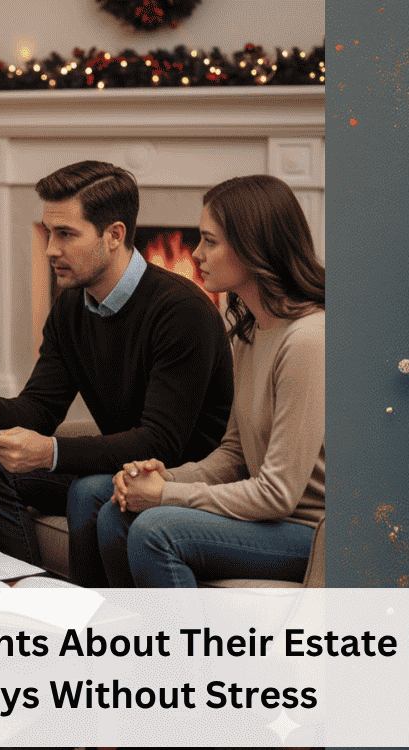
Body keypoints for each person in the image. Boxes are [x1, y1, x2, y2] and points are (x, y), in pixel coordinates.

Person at [0, 160, 234, 588]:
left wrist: (50, 453)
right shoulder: (72, 306)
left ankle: (90, 621)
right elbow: (41, 408)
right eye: (49, 233)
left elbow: (161, 442)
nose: (50, 249)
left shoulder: (181, 312)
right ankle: (25, 603)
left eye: (66, 234)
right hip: (120, 463)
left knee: (89, 491)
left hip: (177, 475)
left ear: (114, 235)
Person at [102, 174, 325, 588]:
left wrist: (166, 496)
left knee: (155, 530)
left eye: (210, 241)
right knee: (114, 511)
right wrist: (166, 478)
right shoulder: (251, 331)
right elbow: (236, 454)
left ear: (253, 247)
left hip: (310, 533)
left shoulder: (307, 339)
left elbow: (278, 494)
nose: (197, 253)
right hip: (272, 522)